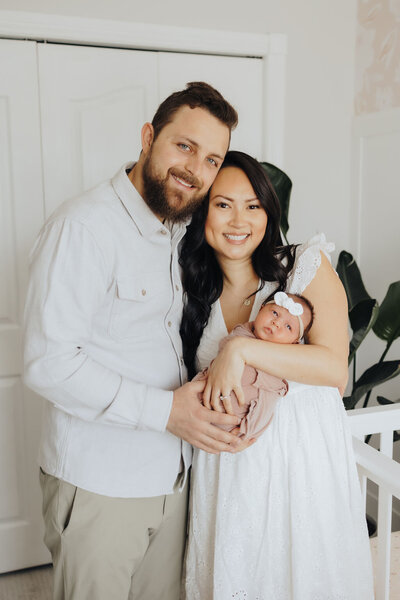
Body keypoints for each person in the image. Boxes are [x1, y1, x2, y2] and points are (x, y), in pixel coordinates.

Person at [23, 82, 248, 600]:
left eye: (212, 159)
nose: (195, 169)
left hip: (171, 476)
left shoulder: (181, 229)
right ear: (148, 137)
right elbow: (47, 362)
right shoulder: (83, 227)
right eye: (184, 146)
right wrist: (167, 412)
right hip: (100, 482)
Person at [180, 150, 374, 599]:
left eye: (253, 206)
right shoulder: (191, 294)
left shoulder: (304, 268)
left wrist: (243, 349)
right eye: (223, 204)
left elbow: (333, 369)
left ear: (270, 214)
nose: (238, 220)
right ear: (203, 211)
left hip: (302, 472)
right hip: (229, 480)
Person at [194, 291, 314, 439]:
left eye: (288, 327)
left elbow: (266, 406)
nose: (276, 323)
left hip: (236, 424)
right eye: (275, 313)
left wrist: (247, 431)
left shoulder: (279, 369)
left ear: (294, 343)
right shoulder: (241, 334)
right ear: (261, 309)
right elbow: (223, 354)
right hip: (201, 402)